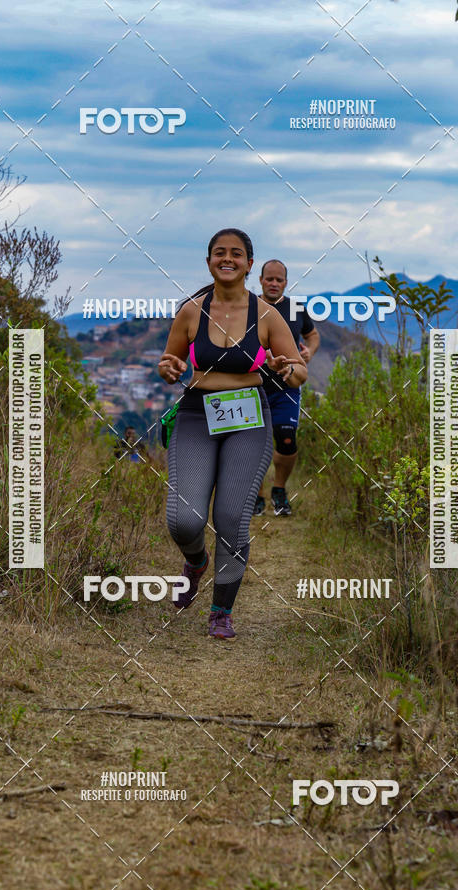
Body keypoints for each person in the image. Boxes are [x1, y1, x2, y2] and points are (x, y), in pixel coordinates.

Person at [157, 229, 308, 639]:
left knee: (230, 517)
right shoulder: (191, 311)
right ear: (209, 262)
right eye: (219, 253)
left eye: (236, 254)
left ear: (249, 264)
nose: (228, 259)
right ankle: (196, 561)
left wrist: (284, 368)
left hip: (247, 419)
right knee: (184, 520)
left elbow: (299, 370)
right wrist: (168, 367)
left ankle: (221, 610)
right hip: (195, 415)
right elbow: (170, 358)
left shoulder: (267, 315)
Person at [254, 259, 320, 516]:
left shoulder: (295, 309)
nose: (273, 283)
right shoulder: (250, 307)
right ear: (260, 280)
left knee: (287, 440)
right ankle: (256, 495)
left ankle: (279, 491)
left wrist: (309, 352)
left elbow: (312, 335)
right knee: (255, 443)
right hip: (253, 385)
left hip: (286, 385)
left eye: (278, 280)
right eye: (269, 279)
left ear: (285, 282)